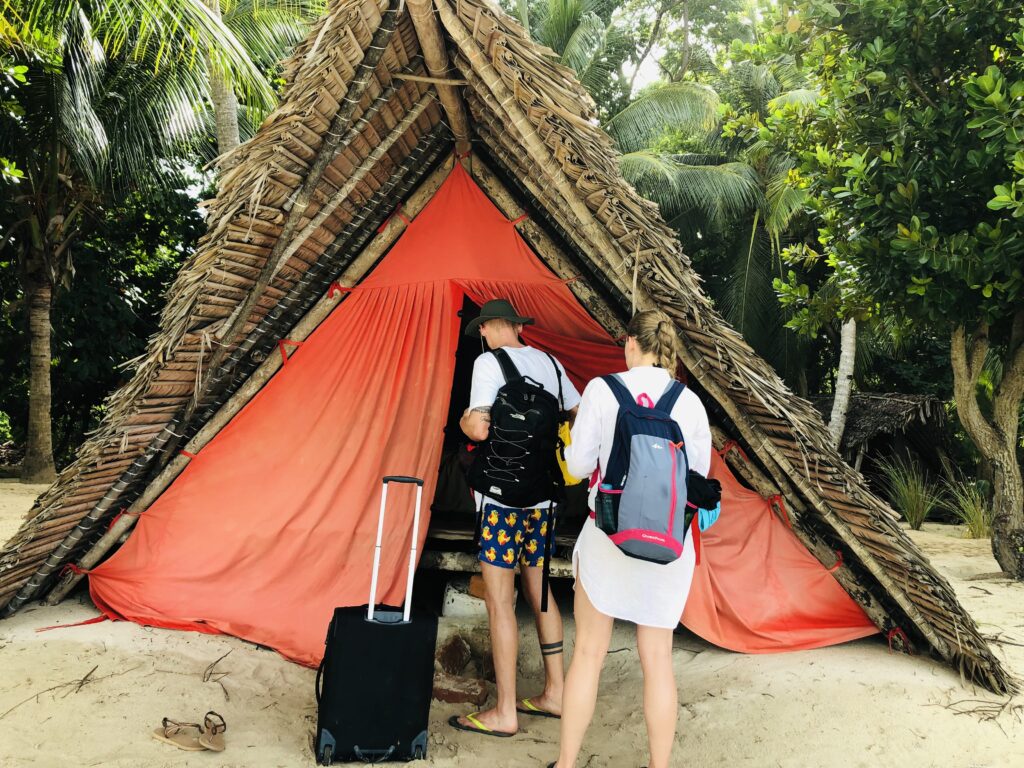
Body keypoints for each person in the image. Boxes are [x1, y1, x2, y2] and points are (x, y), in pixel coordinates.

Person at [550, 309, 712, 768]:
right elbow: (698, 480)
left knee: (588, 653)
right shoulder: (689, 403)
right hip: (668, 545)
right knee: (658, 659)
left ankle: (566, 764)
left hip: (607, 536)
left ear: (630, 343)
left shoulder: (602, 390)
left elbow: (578, 467)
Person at [449, 298, 581, 738]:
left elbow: (480, 429)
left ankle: (506, 711)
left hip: (500, 503)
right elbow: (578, 415)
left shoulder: (488, 363)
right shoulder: (552, 365)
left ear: (487, 329)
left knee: (500, 600)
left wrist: (464, 421)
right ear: (518, 327)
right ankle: (556, 692)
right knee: (540, 592)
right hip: (543, 502)